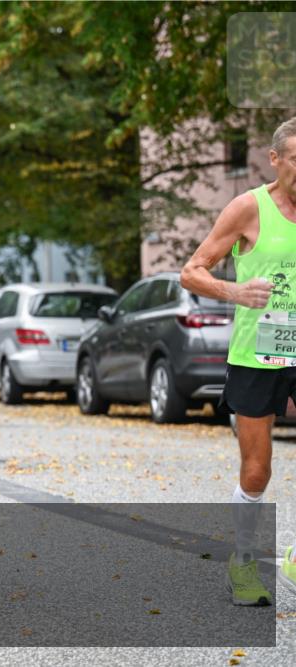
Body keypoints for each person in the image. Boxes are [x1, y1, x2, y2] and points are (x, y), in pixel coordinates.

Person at [181, 116, 296, 605]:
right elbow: (192, 272)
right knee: (257, 470)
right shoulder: (248, 208)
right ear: (275, 159)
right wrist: (235, 291)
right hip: (259, 353)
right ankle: (244, 562)